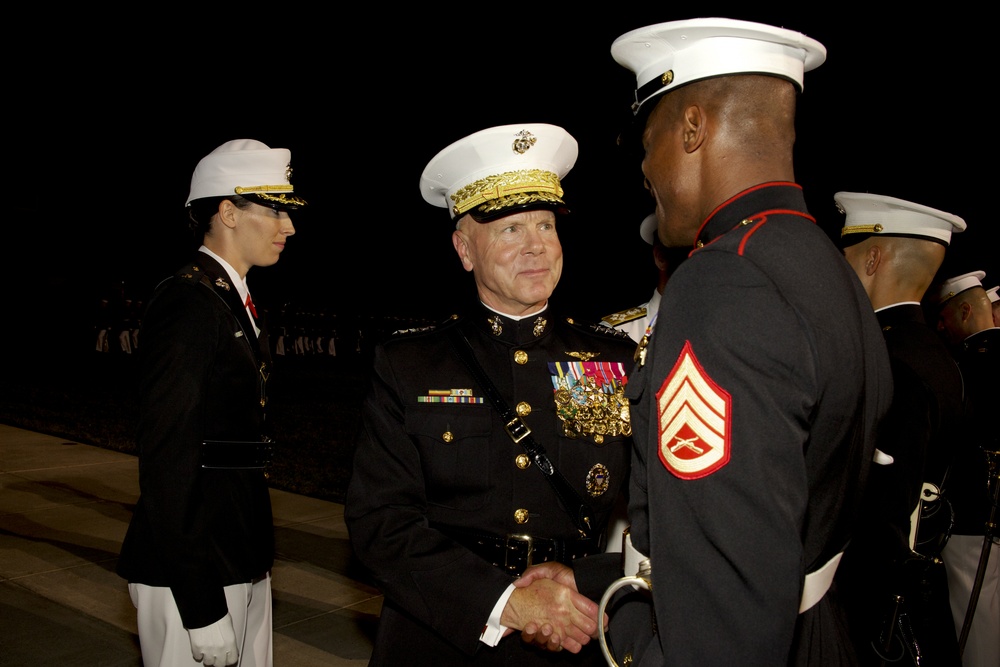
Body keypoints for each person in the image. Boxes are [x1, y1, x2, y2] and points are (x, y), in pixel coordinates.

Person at [597, 18, 893, 666]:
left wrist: (622, 626)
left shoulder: (722, 284)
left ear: (693, 127)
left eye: (649, 143)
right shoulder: (827, 268)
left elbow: (719, 628)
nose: (645, 169)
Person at [344, 122, 637, 666]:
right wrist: (508, 604)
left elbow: (657, 508)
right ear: (464, 249)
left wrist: (593, 580)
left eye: (546, 226)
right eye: (509, 230)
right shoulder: (412, 364)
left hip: (575, 629)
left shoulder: (612, 358)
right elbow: (380, 522)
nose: (536, 247)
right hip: (442, 633)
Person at [116, 139, 307, 667]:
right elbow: (168, 459)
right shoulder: (188, 302)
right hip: (195, 570)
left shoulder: (228, 297)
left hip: (236, 552)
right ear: (226, 212)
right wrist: (199, 606)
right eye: (274, 210)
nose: (288, 227)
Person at [835, 191, 966, 666]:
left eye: (845, 257)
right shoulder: (935, 356)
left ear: (872, 257)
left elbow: (877, 524)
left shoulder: (890, 363)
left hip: (871, 622)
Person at [930, 270, 1000, 667]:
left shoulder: (968, 365)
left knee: (977, 617)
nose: (943, 327)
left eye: (947, 316)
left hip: (976, 510)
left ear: (966, 311)